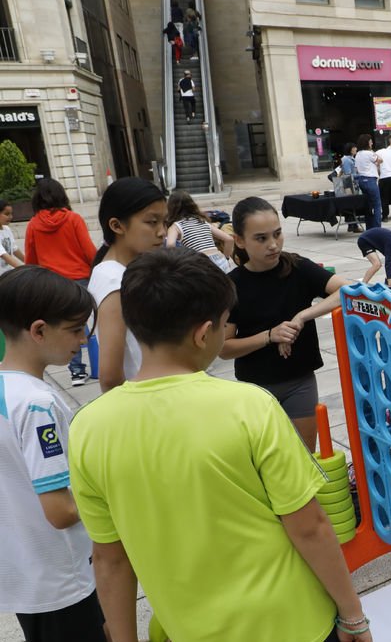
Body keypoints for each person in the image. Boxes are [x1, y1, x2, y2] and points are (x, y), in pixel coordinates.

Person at [69, 248, 372, 642]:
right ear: (202, 333)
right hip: (292, 621)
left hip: (188, 628)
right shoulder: (249, 407)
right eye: (225, 324)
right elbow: (310, 526)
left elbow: (110, 560)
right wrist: (353, 615)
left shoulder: (89, 428)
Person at [0, 266, 106, 642]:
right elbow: (61, 511)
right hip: (62, 578)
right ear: (39, 330)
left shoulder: (6, 390)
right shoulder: (38, 405)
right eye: (76, 329)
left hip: (23, 573)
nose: (82, 340)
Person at [221, 197, 352, 451]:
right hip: (255, 388)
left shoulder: (296, 266)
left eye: (278, 234)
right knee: (268, 463)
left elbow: (346, 291)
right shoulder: (232, 285)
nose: (273, 245)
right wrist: (270, 335)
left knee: (304, 459)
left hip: (299, 382)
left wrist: (302, 316)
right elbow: (224, 348)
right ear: (239, 240)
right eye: (261, 238)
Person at [89, 178, 166, 393]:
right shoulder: (114, 281)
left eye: (164, 222)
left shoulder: (126, 272)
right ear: (116, 225)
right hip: (145, 403)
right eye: (152, 222)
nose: (162, 232)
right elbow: (110, 376)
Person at [23, 179, 97, 385]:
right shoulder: (73, 219)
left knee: (66, 326)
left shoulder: (33, 225)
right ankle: (99, 364)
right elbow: (88, 250)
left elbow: (31, 260)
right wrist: (97, 268)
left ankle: (75, 371)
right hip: (79, 279)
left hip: (52, 284)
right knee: (85, 324)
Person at [164, 190, 234, 273]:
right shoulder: (202, 221)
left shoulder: (175, 226)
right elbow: (229, 239)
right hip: (219, 260)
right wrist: (226, 258)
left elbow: (170, 244)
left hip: (200, 263)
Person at [353, 134, 383, 230]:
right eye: (370, 141)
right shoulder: (369, 153)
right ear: (367, 143)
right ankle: (377, 228)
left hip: (361, 180)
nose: (372, 143)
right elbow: (380, 160)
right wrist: (374, 153)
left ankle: (369, 228)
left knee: (368, 206)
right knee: (377, 205)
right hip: (370, 180)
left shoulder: (358, 154)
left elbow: (357, 169)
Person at [0, 197, 23, 273]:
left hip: (9, 272)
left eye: (11, 214)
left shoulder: (7, 229)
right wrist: (24, 269)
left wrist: (30, 262)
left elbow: (14, 248)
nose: (10, 217)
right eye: (6, 214)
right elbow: (4, 255)